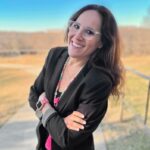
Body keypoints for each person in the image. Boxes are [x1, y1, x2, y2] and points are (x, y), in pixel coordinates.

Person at [28, 4, 124, 150]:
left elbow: (68, 138)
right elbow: (33, 95)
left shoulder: (98, 81)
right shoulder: (55, 55)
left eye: (89, 32)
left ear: (102, 42)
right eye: (76, 26)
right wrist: (58, 121)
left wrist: (45, 108)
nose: (77, 36)